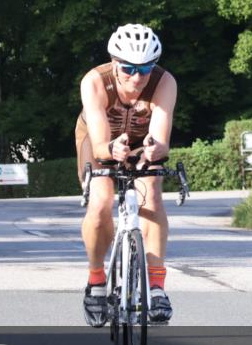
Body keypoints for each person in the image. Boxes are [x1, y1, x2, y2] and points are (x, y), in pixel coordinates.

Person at [75, 23, 177, 327]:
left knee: (153, 195)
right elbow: (98, 143)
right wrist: (109, 149)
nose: (137, 77)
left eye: (145, 68)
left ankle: (156, 287)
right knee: (101, 201)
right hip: (99, 140)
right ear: (115, 63)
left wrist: (153, 149)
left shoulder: (164, 82)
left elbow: (160, 139)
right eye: (129, 68)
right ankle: (96, 279)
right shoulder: (95, 81)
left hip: (139, 141)